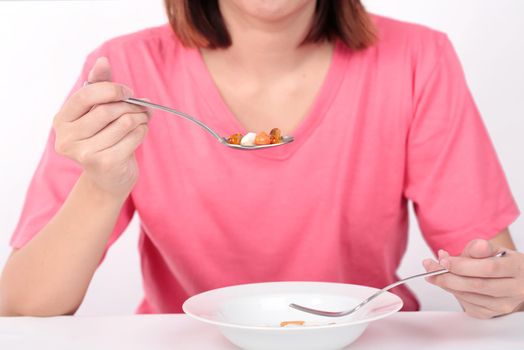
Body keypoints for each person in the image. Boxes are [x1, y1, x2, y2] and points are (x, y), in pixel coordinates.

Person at [0, 0, 522, 319]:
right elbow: (23, 305)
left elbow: (493, 269)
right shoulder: (124, 72)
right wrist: (102, 185)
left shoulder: (417, 57)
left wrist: (499, 288)